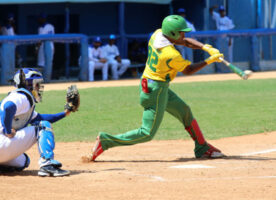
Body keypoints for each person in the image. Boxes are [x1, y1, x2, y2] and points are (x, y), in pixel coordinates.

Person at [83, 15, 226, 162]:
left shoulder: (158, 34)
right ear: (173, 34)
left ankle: (202, 147)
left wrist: (205, 47)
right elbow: (188, 70)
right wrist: (209, 60)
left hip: (153, 84)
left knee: (185, 111)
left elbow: (184, 41)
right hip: (156, 90)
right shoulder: (169, 54)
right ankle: (106, 141)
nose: (184, 35)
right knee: (146, 133)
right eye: (181, 32)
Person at [0, 68, 74, 176]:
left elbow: (42, 117)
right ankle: (47, 164)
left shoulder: (21, 99)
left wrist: (66, 112)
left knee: (23, 162)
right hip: (0, 142)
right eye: (36, 84)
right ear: (27, 84)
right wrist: (8, 131)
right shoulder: (22, 96)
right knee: (43, 127)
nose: (39, 87)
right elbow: (9, 107)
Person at [210, 5, 235, 72]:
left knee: (229, 55)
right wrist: (213, 7)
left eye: (223, 11)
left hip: (227, 39)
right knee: (219, 54)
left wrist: (230, 40)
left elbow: (231, 30)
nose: (222, 12)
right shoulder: (217, 16)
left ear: (225, 11)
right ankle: (220, 69)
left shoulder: (228, 19)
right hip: (220, 38)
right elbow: (210, 11)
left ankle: (230, 69)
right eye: (220, 11)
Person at [37, 13, 55, 82]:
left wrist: (36, 49)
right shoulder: (41, 28)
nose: (39, 20)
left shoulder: (49, 26)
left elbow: (40, 40)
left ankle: (47, 80)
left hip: (48, 46)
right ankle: (44, 80)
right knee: (43, 64)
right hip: (45, 47)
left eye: (41, 18)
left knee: (47, 63)